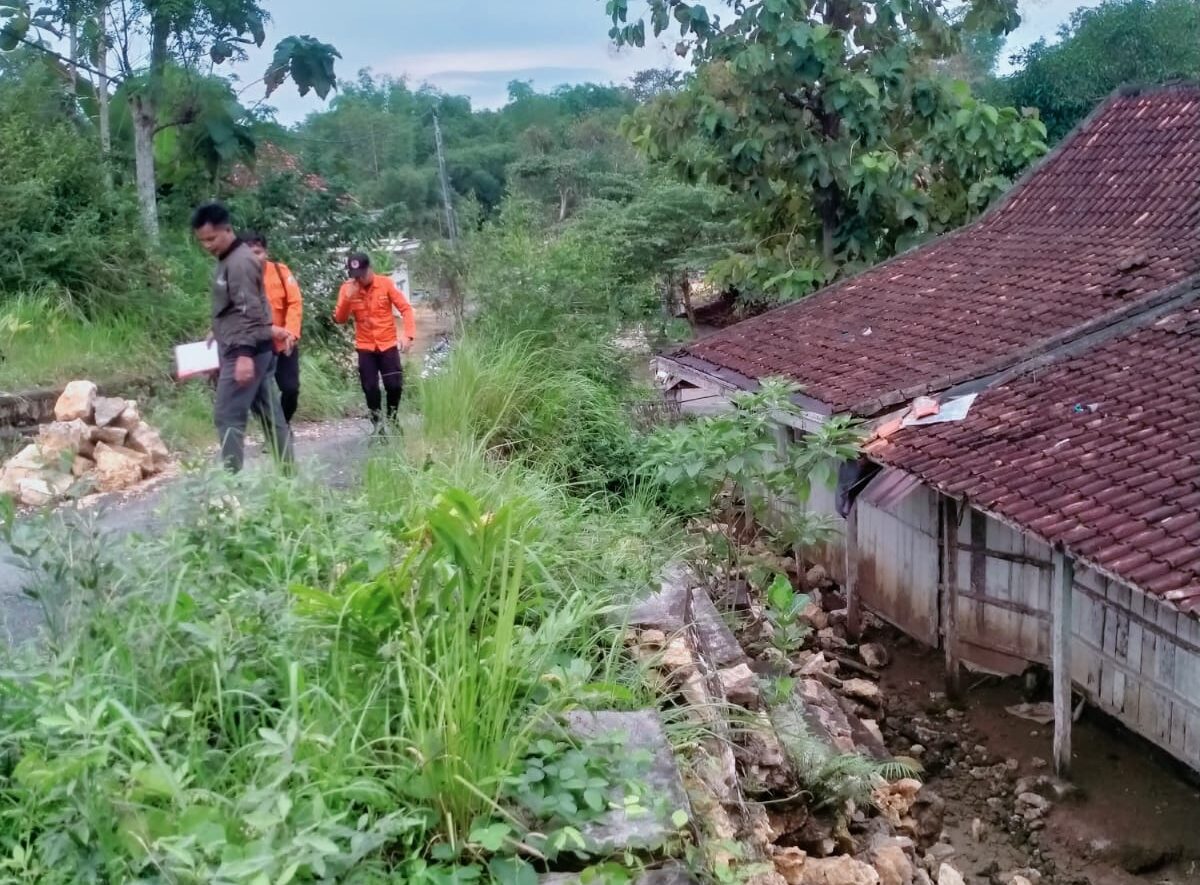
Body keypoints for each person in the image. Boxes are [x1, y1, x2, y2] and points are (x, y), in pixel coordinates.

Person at [191, 203, 293, 472]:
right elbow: (236, 305)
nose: (208, 246)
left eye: (211, 239)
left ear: (227, 229)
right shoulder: (230, 259)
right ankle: (289, 474)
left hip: (245, 352)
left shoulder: (240, 262)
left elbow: (250, 309)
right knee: (271, 415)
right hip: (251, 347)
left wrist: (244, 356)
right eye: (202, 241)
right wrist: (219, 329)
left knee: (227, 417)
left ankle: (233, 485)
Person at [333, 252, 416, 432]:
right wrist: (348, 298)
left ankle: (392, 417)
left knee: (394, 385)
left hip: (387, 344)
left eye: (362, 274)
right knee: (370, 388)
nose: (360, 279)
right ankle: (377, 425)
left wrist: (408, 336)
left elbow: (406, 309)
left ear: (370, 268)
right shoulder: (347, 289)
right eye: (356, 276)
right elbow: (339, 319)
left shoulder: (385, 284)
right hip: (365, 347)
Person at [243, 231, 304, 423]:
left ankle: (282, 425)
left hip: (284, 342)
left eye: (257, 252)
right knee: (260, 394)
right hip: (256, 345)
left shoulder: (280, 271)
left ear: (266, 253)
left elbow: (295, 303)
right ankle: (274, 432)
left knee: (290, 389)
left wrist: (291, 334)